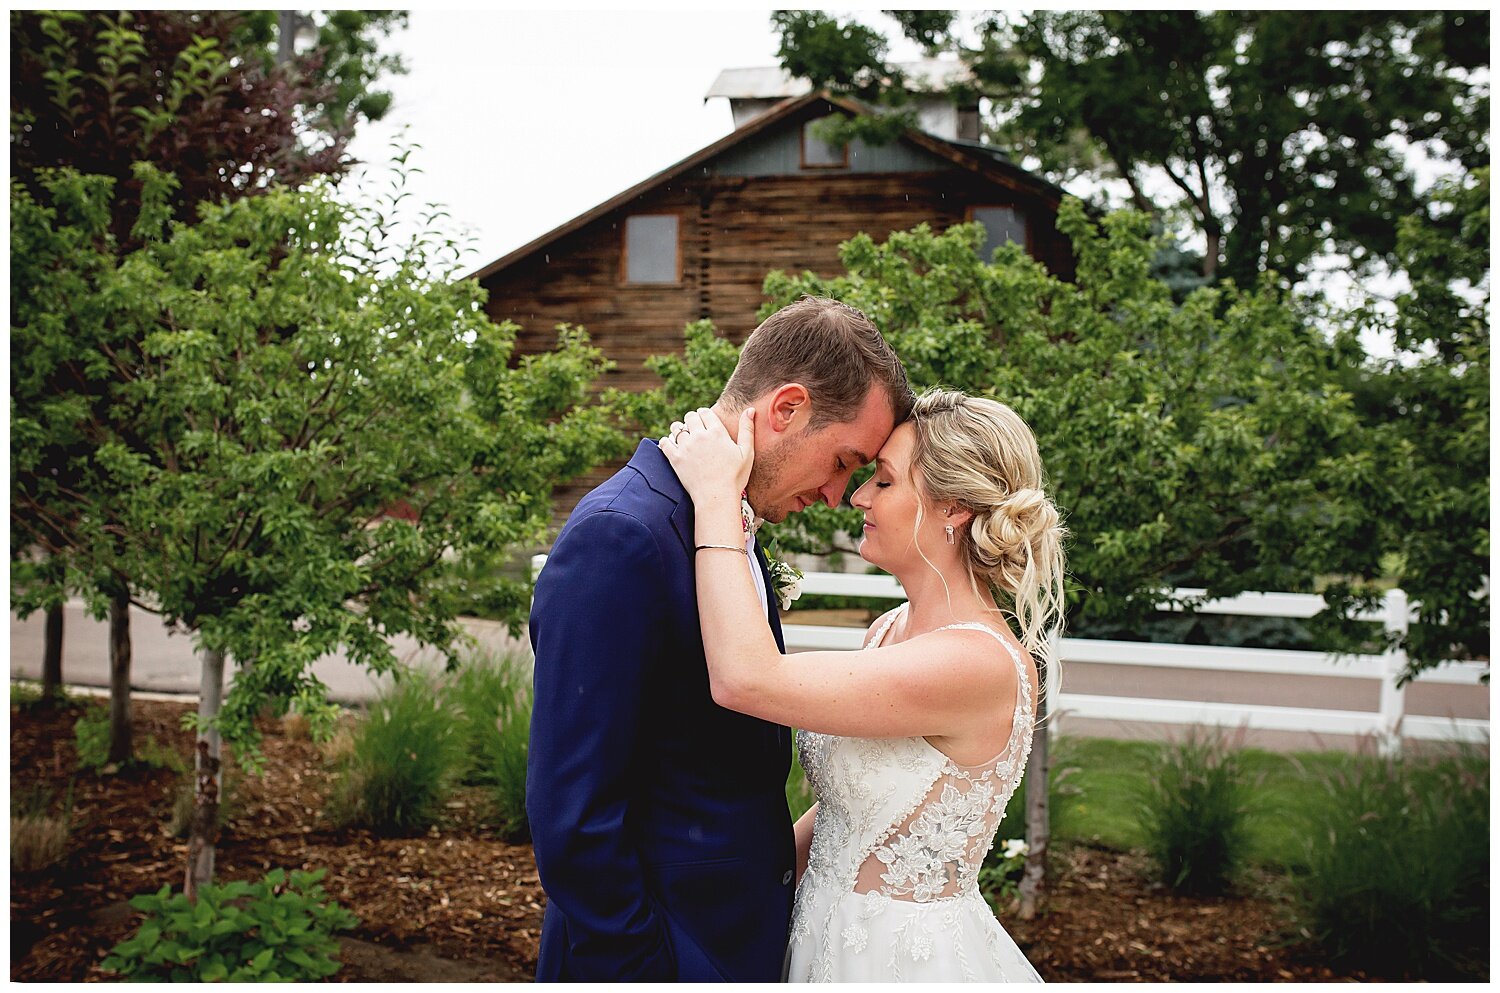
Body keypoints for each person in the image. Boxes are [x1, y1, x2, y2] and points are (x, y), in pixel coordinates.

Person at [526, 297, 913, 982]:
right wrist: (647, 963)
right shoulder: (622, 535)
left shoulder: (721, 527)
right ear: (786, 408)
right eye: (843, 460)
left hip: (733, 946)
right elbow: (573, 815)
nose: (835, 494)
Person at [660, 387, 1067, 982]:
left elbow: (747, 679)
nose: (857, 497)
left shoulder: (974, 665)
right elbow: (850, 814)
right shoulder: (889, 629)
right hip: (817, 935)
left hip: (895, 961)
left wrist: (717, 498)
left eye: (884, 480)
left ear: (952, 506)